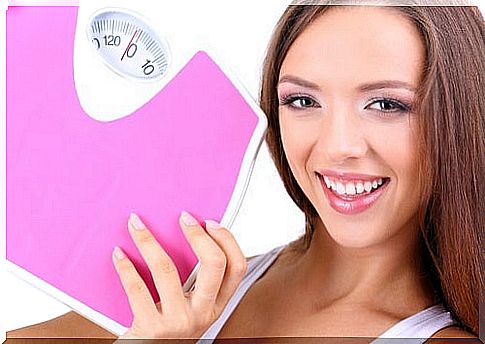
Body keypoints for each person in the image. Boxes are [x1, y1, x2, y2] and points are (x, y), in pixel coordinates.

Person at [7, 1, 483, 341]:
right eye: (303, 100)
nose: (338, 146)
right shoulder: (188, 292)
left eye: (386, 104)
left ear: (461, 116)